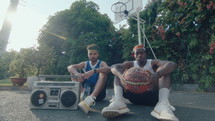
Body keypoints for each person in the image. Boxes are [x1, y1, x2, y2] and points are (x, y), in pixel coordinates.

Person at [102, 45, 179, 121]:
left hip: (152, 96)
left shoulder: (153, 63)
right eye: (137, 53)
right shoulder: (130, 64)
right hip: (134, 96)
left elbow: (172, 64)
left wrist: (157, 74)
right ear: (134, 55)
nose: (139, 55)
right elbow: (113, 67)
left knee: (165, 73)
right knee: (119, 72)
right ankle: (118, 102)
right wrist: (120, 75)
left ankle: (162, 106)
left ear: (146, 54)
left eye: (141, 53)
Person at [67, 44, 110, 114]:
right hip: (86, 91)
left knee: (104, 72)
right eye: (90, 54)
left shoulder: (101, 63)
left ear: (98, 54)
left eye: (94, 54)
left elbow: (108, 69)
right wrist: (77, 74)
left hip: (99, 94)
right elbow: (69, 67)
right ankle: (81, 95)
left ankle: (91, 98)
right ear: (87, 54)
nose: (92, 56)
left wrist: (93, 71)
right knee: (73, 72)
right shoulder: (85, 64)